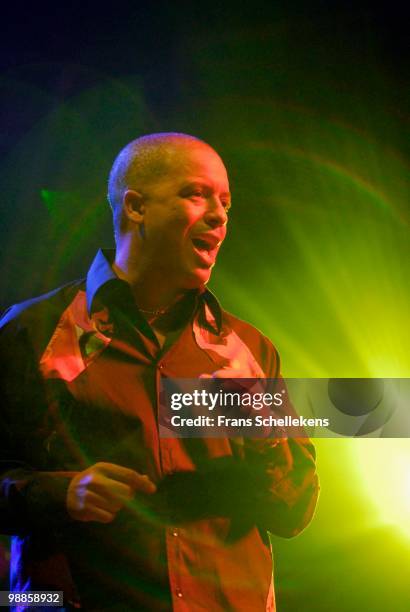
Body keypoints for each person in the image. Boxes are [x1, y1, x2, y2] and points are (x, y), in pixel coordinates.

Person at [0, 133, 319, 611]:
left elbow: (294, 512)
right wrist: (61, 493)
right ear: (135, 207)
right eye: (197, 194)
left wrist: (265, 432)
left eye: (226, 203)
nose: (220, 215)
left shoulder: (249, 350)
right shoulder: (33, 332)